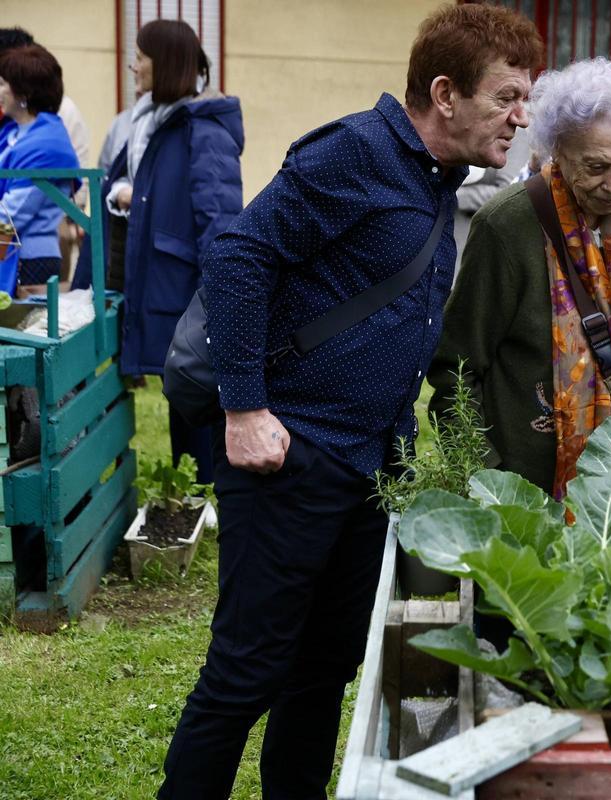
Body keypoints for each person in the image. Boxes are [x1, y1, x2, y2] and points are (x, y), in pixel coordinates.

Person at [155, 6, 543, 798]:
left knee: (323, 672)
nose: (521, 116)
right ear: (445, 93)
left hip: (368, 470)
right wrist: (244, 408)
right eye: (507, 96)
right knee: (246, 674)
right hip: (291, 457)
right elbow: (237, 257)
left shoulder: (436, 179)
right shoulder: (356, 153)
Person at [429, 57, 611, 501]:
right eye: (596, 166)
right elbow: (456, 371)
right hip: (529, 499)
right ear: (558, 152)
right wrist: (489, 481)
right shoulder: (506, 228)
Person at [101, 19, 243, 484]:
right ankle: (192, 487)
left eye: (140, 56)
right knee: (180, 389)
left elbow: (220, 225)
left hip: (185, 291)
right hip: (159, 284)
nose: (132, 65)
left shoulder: (204, 131)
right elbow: (126, 181)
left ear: (165, 63)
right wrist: (124, 191)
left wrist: (215, 301)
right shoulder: (150, 123)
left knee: (195, 389)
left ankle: (207, 488)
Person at [0, 44, 79, 296]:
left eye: (3, 84)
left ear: (23, 93)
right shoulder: (13, 132)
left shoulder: (46, 144)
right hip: (11, 252)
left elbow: (11, 215)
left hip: (28, 259)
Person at [453, 125, 530, 274]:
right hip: (441, 238)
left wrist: (454, 196)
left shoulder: (515, 136)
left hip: (478, 243)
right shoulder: (458, 126)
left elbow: (508, 192)